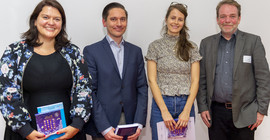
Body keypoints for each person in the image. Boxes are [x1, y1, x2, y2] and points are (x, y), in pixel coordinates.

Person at [0, 0, 92, 140]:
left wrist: (76, 125)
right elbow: (7, 94)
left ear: (62, 24)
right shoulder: (14, 52)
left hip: (68, 132)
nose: (51, 22)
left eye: (57, 19)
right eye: (45, 17)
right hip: (26, 134)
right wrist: (26, 131)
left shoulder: (73, 53)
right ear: (35, 21)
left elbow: (84, 90)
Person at [196, 0, 270, 140]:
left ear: (239, 18)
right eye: (223, 16)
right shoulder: (206, 44)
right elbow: (202, 79)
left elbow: (264, 79)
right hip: (215, 114)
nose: (227, 20)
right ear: (217, 19)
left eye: (232, 16)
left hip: (246, 113)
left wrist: (261, 111)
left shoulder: (253, 42)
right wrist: (203, 107)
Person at [83, 2, 148, 140]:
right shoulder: (92, 51)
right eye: (113, 19)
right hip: (104, 124)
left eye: (122, 19)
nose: (119, 23)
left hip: (131, 123)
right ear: (104, 22)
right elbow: (90, 91)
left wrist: (139, 122)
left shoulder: (136, 51)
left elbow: (142, 88)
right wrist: (104, 128)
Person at [145, 2, 201, 140]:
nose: (176, 22)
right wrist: (164, 111)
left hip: (185, 104)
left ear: (184, 22)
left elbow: (195, 80)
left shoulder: (192, 47)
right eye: (173, 18)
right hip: (161, 104)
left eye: (180, 19)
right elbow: (152, 80)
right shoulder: (155, 46)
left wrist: (187, 110)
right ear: (166, 19)